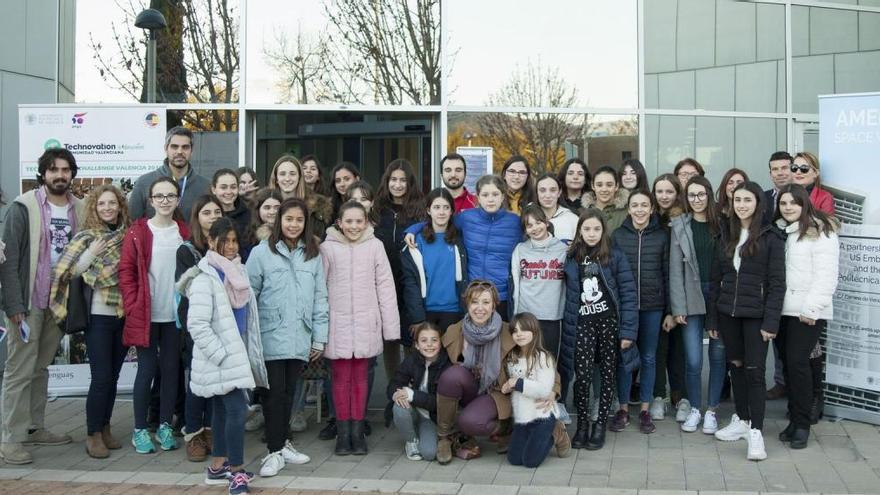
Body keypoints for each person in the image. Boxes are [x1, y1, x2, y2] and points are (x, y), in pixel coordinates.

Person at [0, 147, 84, 464]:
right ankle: (10, 438)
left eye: (65, 169)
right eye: (53, 170)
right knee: (19, 370)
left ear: (72, 174)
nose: (59, 175)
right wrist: (13, 304)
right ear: (43, 174)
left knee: (40, 366)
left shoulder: (80, 207)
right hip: (28, 301)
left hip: (59, 302)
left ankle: (34, 428)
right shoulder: (23, 208)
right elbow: (8, 262)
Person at [178, 217, 269, 494]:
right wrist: (220, 355)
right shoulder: (204, 277)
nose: (230, 246)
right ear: (210, 242)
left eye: (233, 240)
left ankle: (217, 467)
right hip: (221, 358)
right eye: (224, 241)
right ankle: (236, 472)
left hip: (235, 352)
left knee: (220, 412)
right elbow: (197, 324)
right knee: (237, 411)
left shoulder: (236, 272)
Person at [432, 280, 565, 464]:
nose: (480, 308)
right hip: (471, 388)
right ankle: (445, 437)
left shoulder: (508, 331)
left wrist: (553, 389)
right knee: (451, 375)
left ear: (494, 305)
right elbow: (433, 362)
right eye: (474, 302)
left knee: (469, 422)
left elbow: (540, 359)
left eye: (486, 302)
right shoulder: (455, 331)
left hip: (498, 391)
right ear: (467, 304)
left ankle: (510, 429)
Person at [246, 198, 326, 476]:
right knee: (272, 395)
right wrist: (250, 337)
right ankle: (273, 451)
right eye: (288, 219)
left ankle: (283, 444)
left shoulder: (313, 253)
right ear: (279, 221)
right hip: (270, 335)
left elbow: (320, 297)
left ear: (306, 224)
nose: (293, 224)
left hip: (299, 335)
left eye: (299, 220)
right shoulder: (261, 253)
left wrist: (319, 337)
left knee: (290, 393)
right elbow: (249, 296)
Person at [49, 184, 128, 459]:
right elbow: (66, 271)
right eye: (102, 204)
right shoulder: (86, 238)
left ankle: (105, 427)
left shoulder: (126, 236)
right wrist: (93, 253)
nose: (108, 208)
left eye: (112, 203)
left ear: (120, 206)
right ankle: (92, 434)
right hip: (98, 318)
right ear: (94, 208)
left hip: (123, 315)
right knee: (102, 377)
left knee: (114, 376)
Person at [708, 181, 785, 461]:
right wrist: (713, 319)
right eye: (737, 199)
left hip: (757, 317)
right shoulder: (725, 234)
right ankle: (741, 419)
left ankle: (756, 431)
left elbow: (778, 284)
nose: (742, 204)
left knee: (754, 372)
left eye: (747, 200)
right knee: (736, 368)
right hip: (728, 314)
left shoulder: (770, 237)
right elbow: (716, 281)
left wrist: (771, 323)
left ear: (758, 203)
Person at [320, 201, 400, 456]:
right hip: (337, 324)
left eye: (359, 221)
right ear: (339, 223)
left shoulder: (375, 247)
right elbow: (319, 290)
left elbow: (385, 288)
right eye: (349, 221)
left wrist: (390, 329)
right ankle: (343, 435)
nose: (354, 226)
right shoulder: (327, 249)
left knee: (361, 379)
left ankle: (358, 432)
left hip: (366, 322)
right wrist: (318, 329)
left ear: (366, 222)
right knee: (341, 379)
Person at [120, 177, 191, 454]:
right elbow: (126, 271)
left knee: (172, 371)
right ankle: (140, 429)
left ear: (177, 200)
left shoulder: (183, 232)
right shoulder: (138, 232)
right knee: (147, 370)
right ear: (150, 201)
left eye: (170, 196)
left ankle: (164, 425)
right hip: (146, 314)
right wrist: (132, 302)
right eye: (159, 196)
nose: (164, 200)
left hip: (174, 316)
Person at [561, 209, 638, 450]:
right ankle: (582, 425)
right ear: (579, 231)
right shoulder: (572, 257)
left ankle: (600, 425)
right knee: (582, 377)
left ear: (603, 231)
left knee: (607, 376)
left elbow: (627, 294)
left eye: (596, 229)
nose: (591, 234)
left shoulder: (614, 256)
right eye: (586, 229)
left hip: (608, 324)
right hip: (582, 324)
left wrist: (627, 332)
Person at [775, 184, 839, 449]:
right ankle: (794, 418)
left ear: (805, 204)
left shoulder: (820, 231)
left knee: (798, 363)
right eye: (783, 203)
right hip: (782, 310)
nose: (788, 207)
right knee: (788, 366)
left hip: (806, 312)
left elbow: (826, 275)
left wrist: (812, 308)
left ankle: (803, 424)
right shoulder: (782, 230)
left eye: (794, 203)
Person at [406, 175, 520, 319]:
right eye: (485, 195)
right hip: (472, 294)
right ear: (477, 197)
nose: (490, 199)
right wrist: (413, 229)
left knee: (501, 339)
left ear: (503, 196)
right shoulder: (466, 218)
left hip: (501, 295)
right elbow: (441, 220)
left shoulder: (515, 222)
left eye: (495, 194)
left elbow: (534, 232)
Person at [610, 190, 669, 435]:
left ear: (651, 208)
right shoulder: (618, 235)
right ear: (629, 209)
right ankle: (622, 408)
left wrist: (670, 311)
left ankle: (644, 409)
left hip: (653, 307)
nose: (640, 210)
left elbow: (667, 274)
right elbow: (611, 273)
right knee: (625, 359)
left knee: (648, 357)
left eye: (645, 205)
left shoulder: (662, 236)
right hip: (625, 307)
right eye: (635, 205)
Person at [669, 176, 724, 434]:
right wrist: (678, 307)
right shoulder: (680, 225)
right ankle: (694, 408)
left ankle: (711, 410)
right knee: (693, 360)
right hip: (690, 296)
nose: (697, 200)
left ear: (709, 194)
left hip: (718, 296)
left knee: (717, 356)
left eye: (701, 194)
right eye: (691, 195)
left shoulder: (723, 224)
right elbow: (674, 271)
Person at [176, 194, 223, 462]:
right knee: (197, 381)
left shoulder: (226, 246)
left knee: (216, 383)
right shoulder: (186, 250)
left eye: (217, 211)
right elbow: (187, 289)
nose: (213, 216)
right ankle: (192, 433)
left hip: (222, 323)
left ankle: (209, 430)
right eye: (207, 212)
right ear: (197, 217)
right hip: (197, 323)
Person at [509, 205, 568, 420]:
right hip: (527, 317)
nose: (534, 228)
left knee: (550, 362)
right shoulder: (520, 250)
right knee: (529, 363)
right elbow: (516, 283)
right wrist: (515, 316)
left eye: (538, 222)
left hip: (553, 315)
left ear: (546, 222)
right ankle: (529, 408)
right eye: (529, 225)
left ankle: (554, 404)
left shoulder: (562, 249)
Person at [374, 159, 425, 375]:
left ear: (410, 183)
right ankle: (394, 390)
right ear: (387, 182)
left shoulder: (420, 210)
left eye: (403, 180)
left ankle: (413, 388)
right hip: (385, 282)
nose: (398, 184)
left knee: (412, 338)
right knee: (390, 339)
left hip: (411, 283)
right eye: (393, 179)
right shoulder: (377, 209)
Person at [503, 312, 570, 468]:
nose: (519, 334)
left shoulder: (543, 357)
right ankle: (532, 439)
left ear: (534, 331)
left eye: (524, 330)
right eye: (515, 331)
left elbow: (543, 389)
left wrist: (516, 383)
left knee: (530, 461)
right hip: (522, 415)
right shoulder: (511, 357)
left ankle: (556, 433)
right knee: (514, 459)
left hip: (542, 414)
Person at [400, 188, 467, 335]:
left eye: (446, 207)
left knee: (451, 357)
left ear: (452, 211)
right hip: (425, 310)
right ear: (428, 210)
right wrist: (417, 317)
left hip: (453, 310)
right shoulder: (416, 241)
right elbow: (410, 281)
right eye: (436, 207)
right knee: (427, 356)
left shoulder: (460, 240)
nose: (441, 212)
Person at [650, 173, 687, 421]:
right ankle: (658, 396)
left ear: (677, 194)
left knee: (679, 350)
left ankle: (680, 396)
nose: (664, 196)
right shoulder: (650, 219)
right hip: (657, 293)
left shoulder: (682, 220)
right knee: (658, 349)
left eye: (669, 191)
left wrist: (674, 309)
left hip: (681, 295)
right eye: (659, 191)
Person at [387, 322, 451, 461]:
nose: (429, 345)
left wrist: (412, 394)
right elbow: (394, 383)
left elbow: (439, 403)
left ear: (440, 343)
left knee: (429, 454)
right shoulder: (411, 361)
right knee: (399, 406)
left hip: (431, 418)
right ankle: (411, 440)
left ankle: (419, 433)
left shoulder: (446, 365)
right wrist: (397, 393)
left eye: (434, 340)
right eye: (424, 340)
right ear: (417, 345)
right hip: (412, 411)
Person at [129, 126, 210, 220]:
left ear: (191, 151)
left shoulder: (205, 186)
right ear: (166, 149)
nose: (180, 151)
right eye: (174, 147)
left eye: (185, 147)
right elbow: (132, 222)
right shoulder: (144, 182)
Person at [764, 151, 793, 400]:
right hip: (770, 273)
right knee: (774, 331)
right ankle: (780, 382)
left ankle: (794, 387)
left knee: (792, 340)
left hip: (795, 273)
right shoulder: (763, 199)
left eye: (785, 167)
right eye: (776, 169)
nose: (781, 172)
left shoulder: (800, 198)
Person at [269, 155, 333, 239]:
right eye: (282, 174)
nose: (287, 178)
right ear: (276, 179)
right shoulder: (266, 205)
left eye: (292, 174)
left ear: (299, 177)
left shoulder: (318, 208)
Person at [212, 169, 253, 260]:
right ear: (214, 189)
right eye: (223, 187)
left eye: (233, 187)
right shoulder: (209, 215)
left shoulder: (248, 215)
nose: (229, 191)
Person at [581, 165, 628, 233]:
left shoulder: (626, 213)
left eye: (609, 185)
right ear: (593, 186)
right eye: (599, 185)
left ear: (616, 186)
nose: (604, 189)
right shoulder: (582, 212)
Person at [534, 173, 578, 244]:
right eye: (542, 190)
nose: (548, 195)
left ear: (559, 192)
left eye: (553, 190)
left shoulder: (572, 219)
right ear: (537, 192)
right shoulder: (529, 218)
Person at [764, 151, 793, 220]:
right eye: (775, 169)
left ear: (793, 170)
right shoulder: (761, 198)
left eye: (784, 168)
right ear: (770, 174)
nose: (780, 173)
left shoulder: (805, 195)